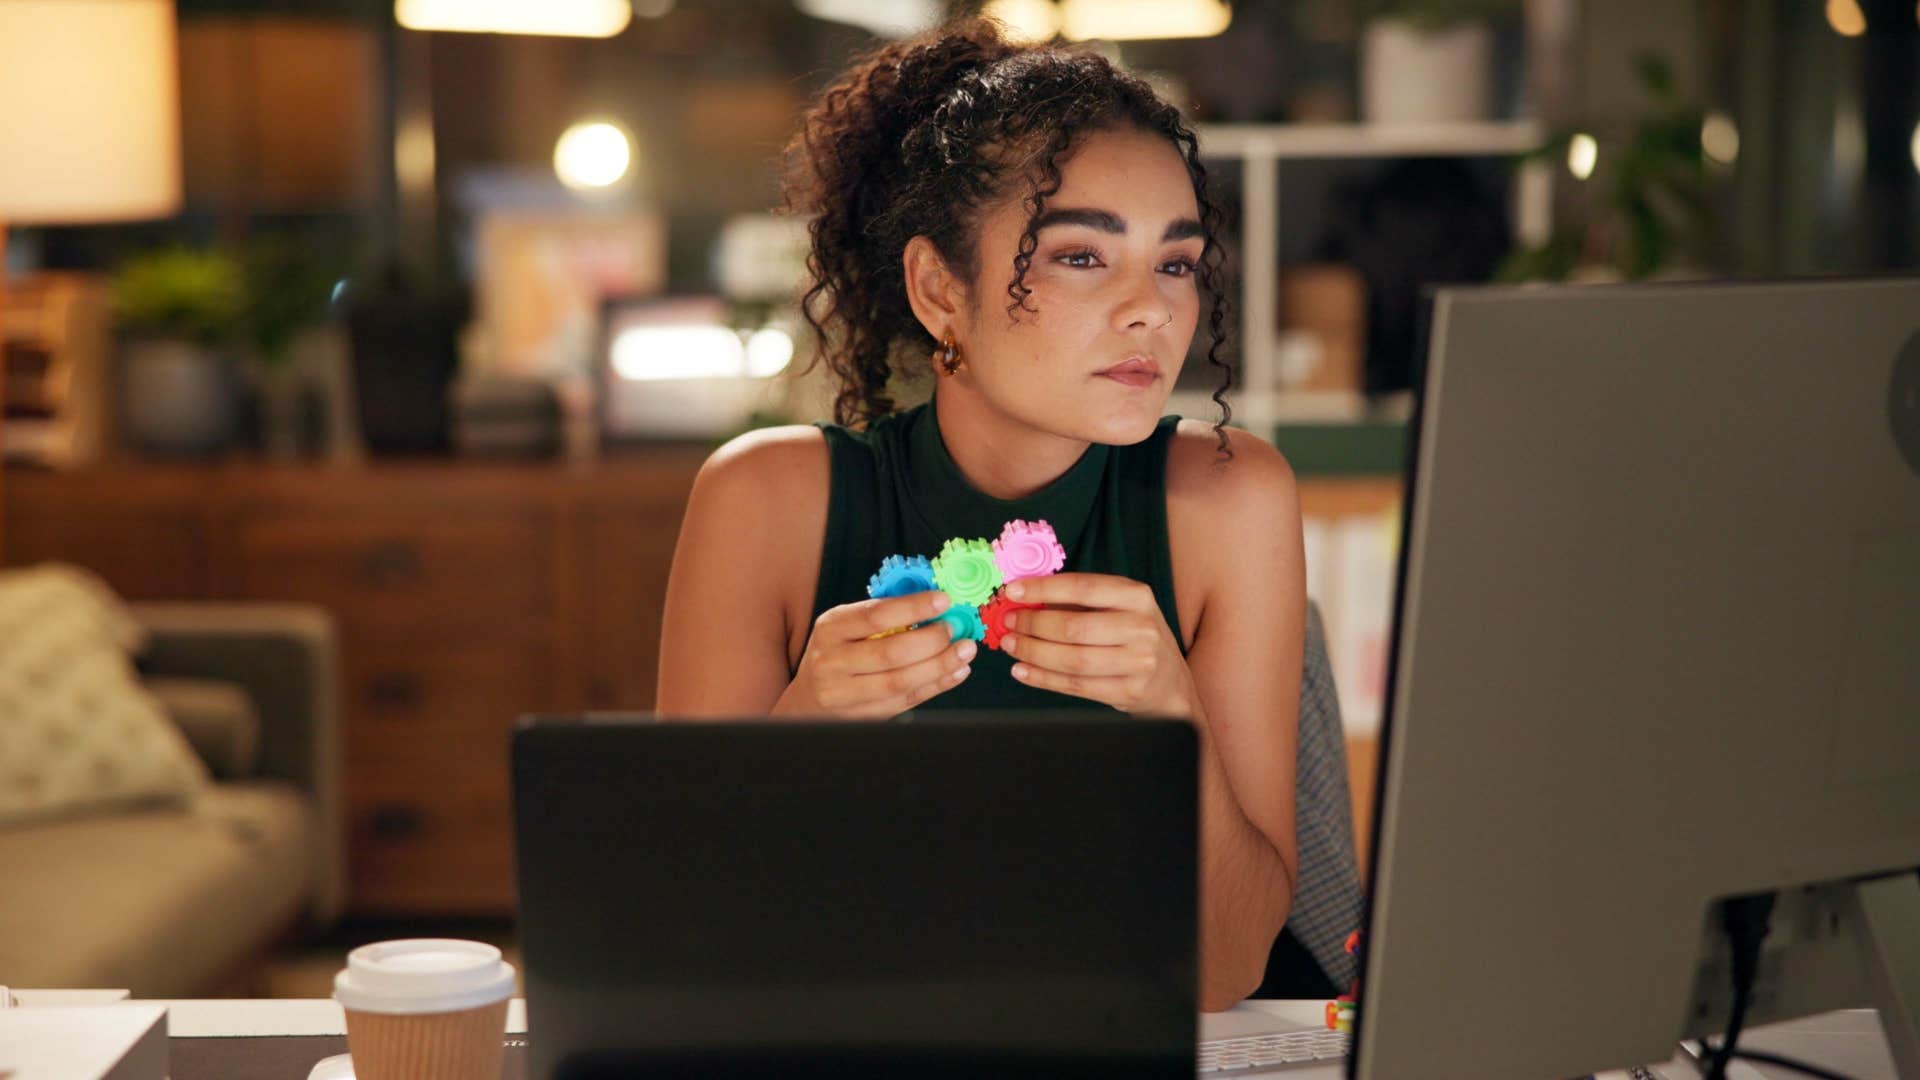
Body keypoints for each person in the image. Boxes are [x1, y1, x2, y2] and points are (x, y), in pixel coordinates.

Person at [656, 18, 1308, 1012]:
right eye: (1083, 257)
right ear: (937, 287)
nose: (1153, 311)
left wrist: (1175, 716)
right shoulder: (766, 501)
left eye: (1175, 262)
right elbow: (681, 945)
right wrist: (802, 729)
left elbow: (1227, 972)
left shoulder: (1229, 498)